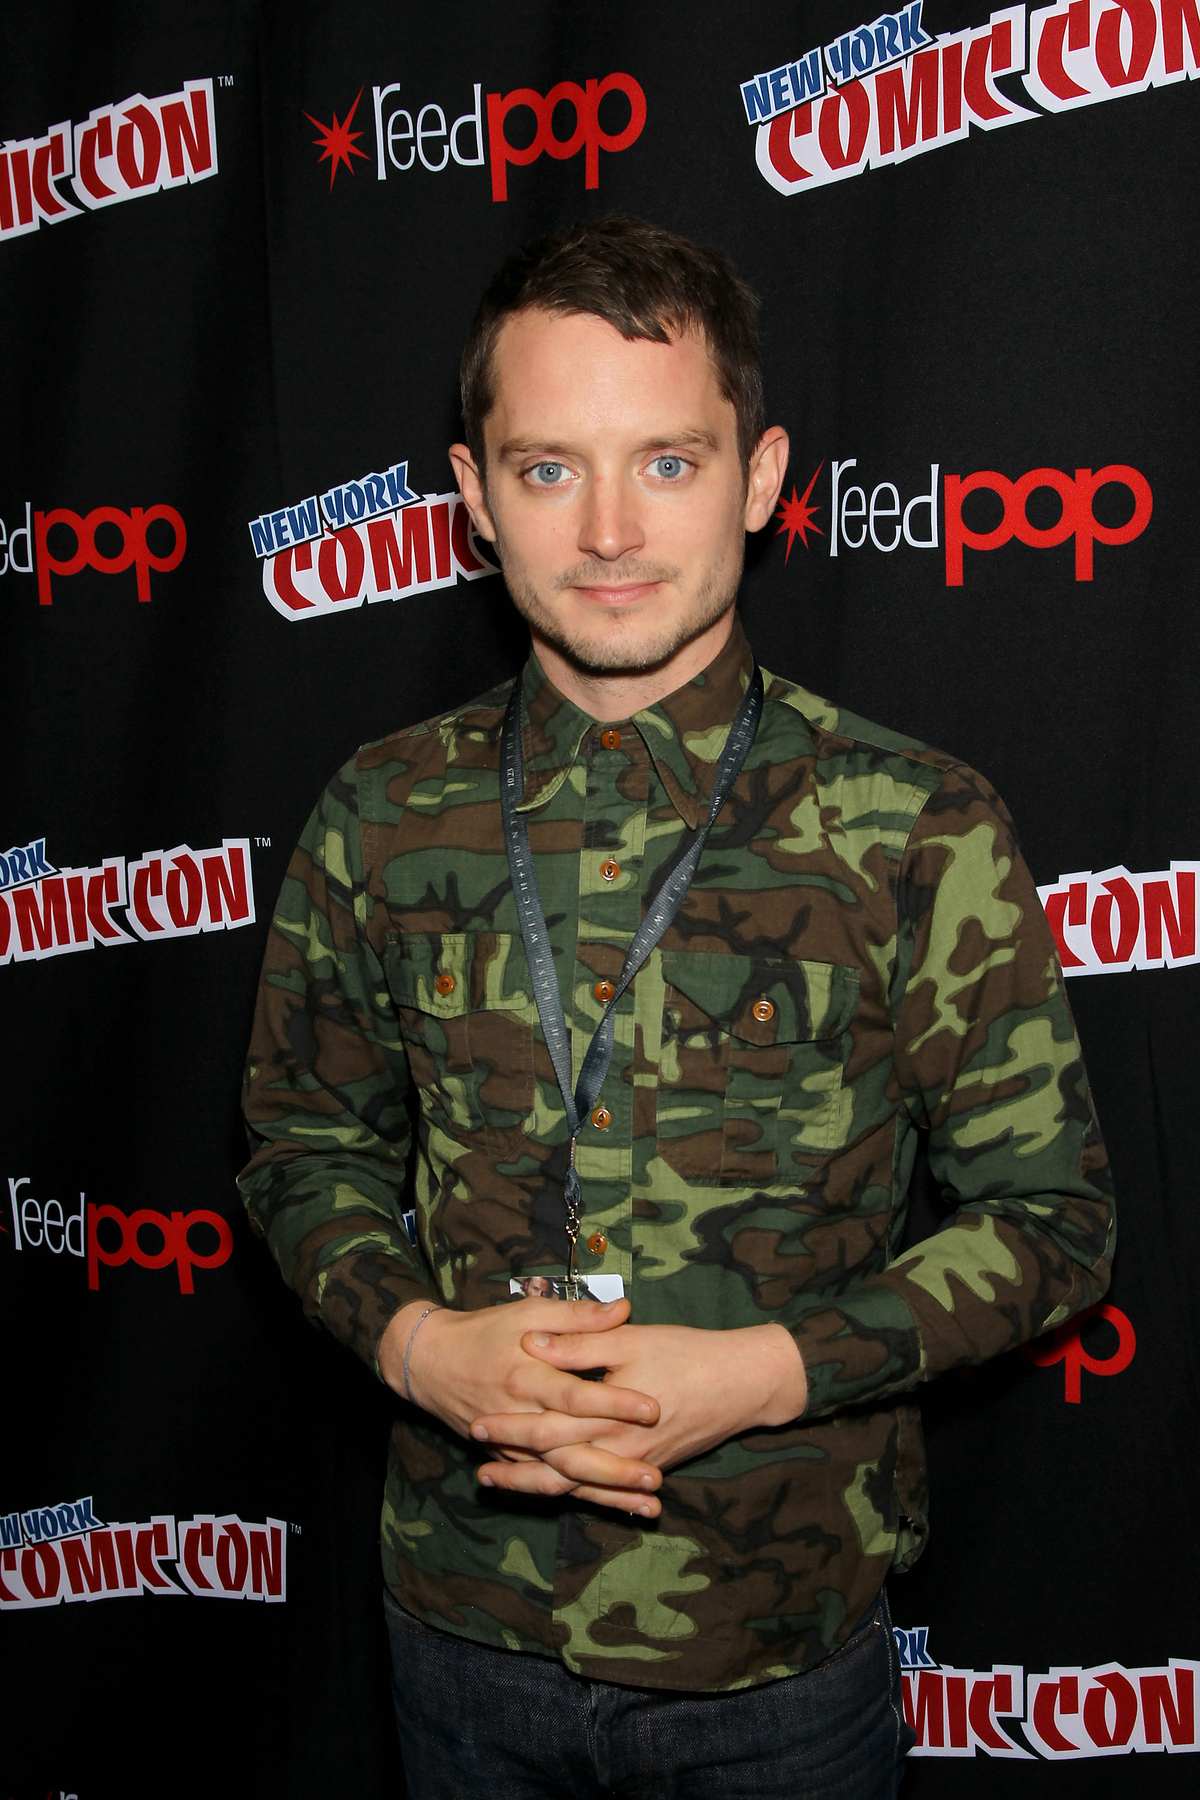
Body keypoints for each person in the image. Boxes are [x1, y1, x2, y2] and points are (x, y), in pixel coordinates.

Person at [239, 216, 1114, 1798]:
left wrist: (769, 1371)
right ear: (472, 502)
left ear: (764, 478)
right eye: (549, 468)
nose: (610, 531)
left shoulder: (917, 823)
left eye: (670, 461)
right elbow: (302, 1150)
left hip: (776, 1659)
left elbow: (1052, 1220)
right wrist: (422, 1343)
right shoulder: (381, 813)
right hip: (458, 1633)